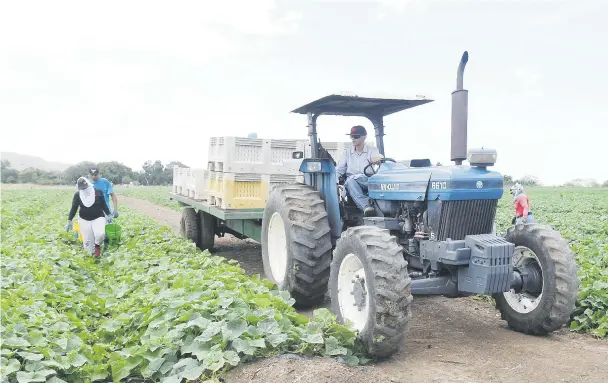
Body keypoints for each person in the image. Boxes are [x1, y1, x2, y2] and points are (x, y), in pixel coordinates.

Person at [335, 125, 383, 217]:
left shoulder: (372, 150)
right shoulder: (347, 153)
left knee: (351, 180)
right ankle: (366, 207)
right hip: (351, 183)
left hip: (367, 180)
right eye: (351, 136)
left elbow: (378, 157)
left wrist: (377, 159)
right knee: (350, 181)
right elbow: (339, 170)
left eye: (356, 136)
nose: (353, 139)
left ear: (364, 137)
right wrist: (335, 182)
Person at [65, 177, 112, 257]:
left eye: (85, 188)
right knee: (88, 247)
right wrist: (69, 220)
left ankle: (97, 245)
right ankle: (93, 255)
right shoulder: (77, 195)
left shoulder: (98, 192)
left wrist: (109, 214)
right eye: (81, 188)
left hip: (98, 217)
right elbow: (74, 208)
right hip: (84, 219)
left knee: (100, 234)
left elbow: (103, 205)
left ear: (88, 185)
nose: (84, 190)